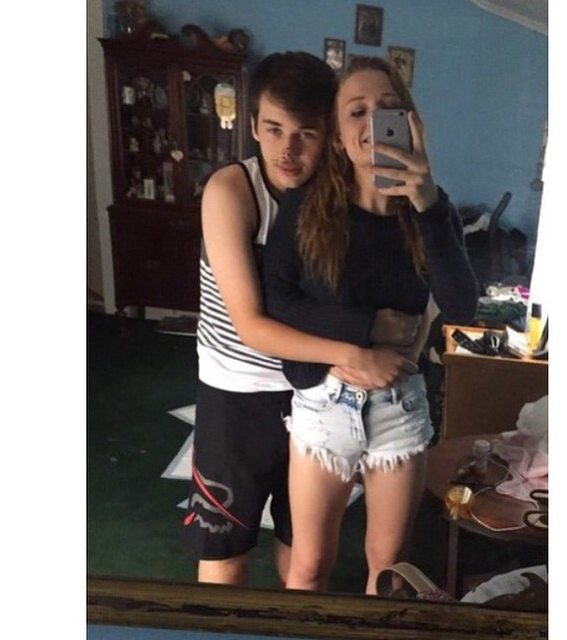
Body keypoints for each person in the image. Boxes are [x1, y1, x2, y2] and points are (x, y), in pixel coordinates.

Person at [182, 51, 419, 588]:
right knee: (224, 554)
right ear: (252, 127)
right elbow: (252, 325)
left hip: (314, 394)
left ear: (329, 135)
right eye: (273, 129)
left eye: (306, 133)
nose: (288, 150)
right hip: (239, 395)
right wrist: (359, 345)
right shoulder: (232, 190)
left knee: (303, 556)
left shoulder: (338, 200)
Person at [263, 56, 479, 594]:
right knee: (308, 564)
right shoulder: (306, 208)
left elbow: (462, 306)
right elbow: (278, 302)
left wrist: (427, 202)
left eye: (388, 108)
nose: (372, 122)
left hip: (398, 407)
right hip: (323, 402)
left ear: (410, 123)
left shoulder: (431, 210)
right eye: (356, 111)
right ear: (338, 137)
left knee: (389, 568)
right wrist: (366, 331)